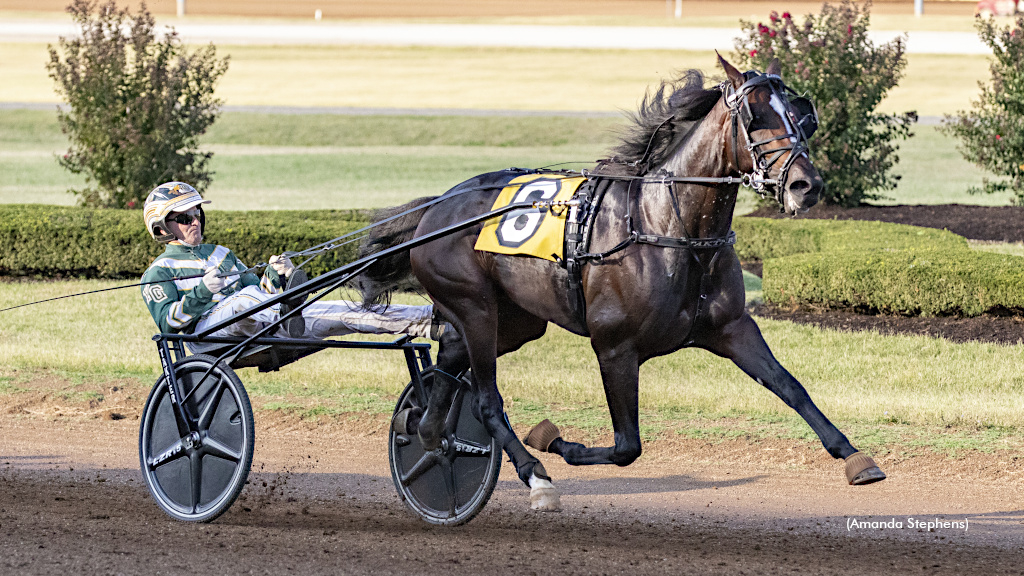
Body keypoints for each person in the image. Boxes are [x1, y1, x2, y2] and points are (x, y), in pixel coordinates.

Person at [139, 181, 442, 342]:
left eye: (196, 214)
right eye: (183, 218)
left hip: (262, 323)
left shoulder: (221, 254)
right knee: (243, 300)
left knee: (348, 312)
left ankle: (432, 321)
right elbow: (168, 322)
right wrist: (203, 292)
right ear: (162, 228)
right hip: (206, 336)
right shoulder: (158, 272)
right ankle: (290, 306)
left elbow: (260, 290)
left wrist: (275, 275)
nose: (194, 221)